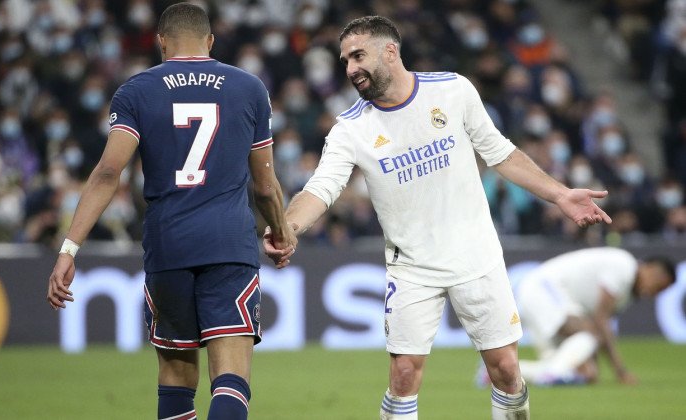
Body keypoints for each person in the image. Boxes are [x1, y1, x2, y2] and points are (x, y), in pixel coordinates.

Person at [263, 16, 612, 420]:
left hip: (476, 255)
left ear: (390, 51)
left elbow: (501, 153)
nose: (350, 68)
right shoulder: (350, 129)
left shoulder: (453, 90)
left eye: (358, 56)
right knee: (404, 374)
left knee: (506, 371)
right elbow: (320, 188)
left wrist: (561, 195)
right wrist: (289, 227)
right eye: (345, 61)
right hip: (411, 266)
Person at [46, 4, 296, 420]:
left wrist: (69, 248)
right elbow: (265, 185)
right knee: (231, 377)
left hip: (168, 248)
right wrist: (282, 232)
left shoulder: (136, 91)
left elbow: (108, 172)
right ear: (210, 41)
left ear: (161, 41)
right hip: (229, 245)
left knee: (176, 381)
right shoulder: (248, 87)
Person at [509, 248, 675, 386]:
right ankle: (552, 374)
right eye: (658, 286)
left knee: (586, 374)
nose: (654, 294)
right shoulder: (625, 266)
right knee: (591, 335)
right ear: (651, 269)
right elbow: (600, 321)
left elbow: (593, 322)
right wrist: (620, 371)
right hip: (544, 288)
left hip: (543, 296)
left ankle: (503, 371)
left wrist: (592, 366)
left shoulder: (626, 294)